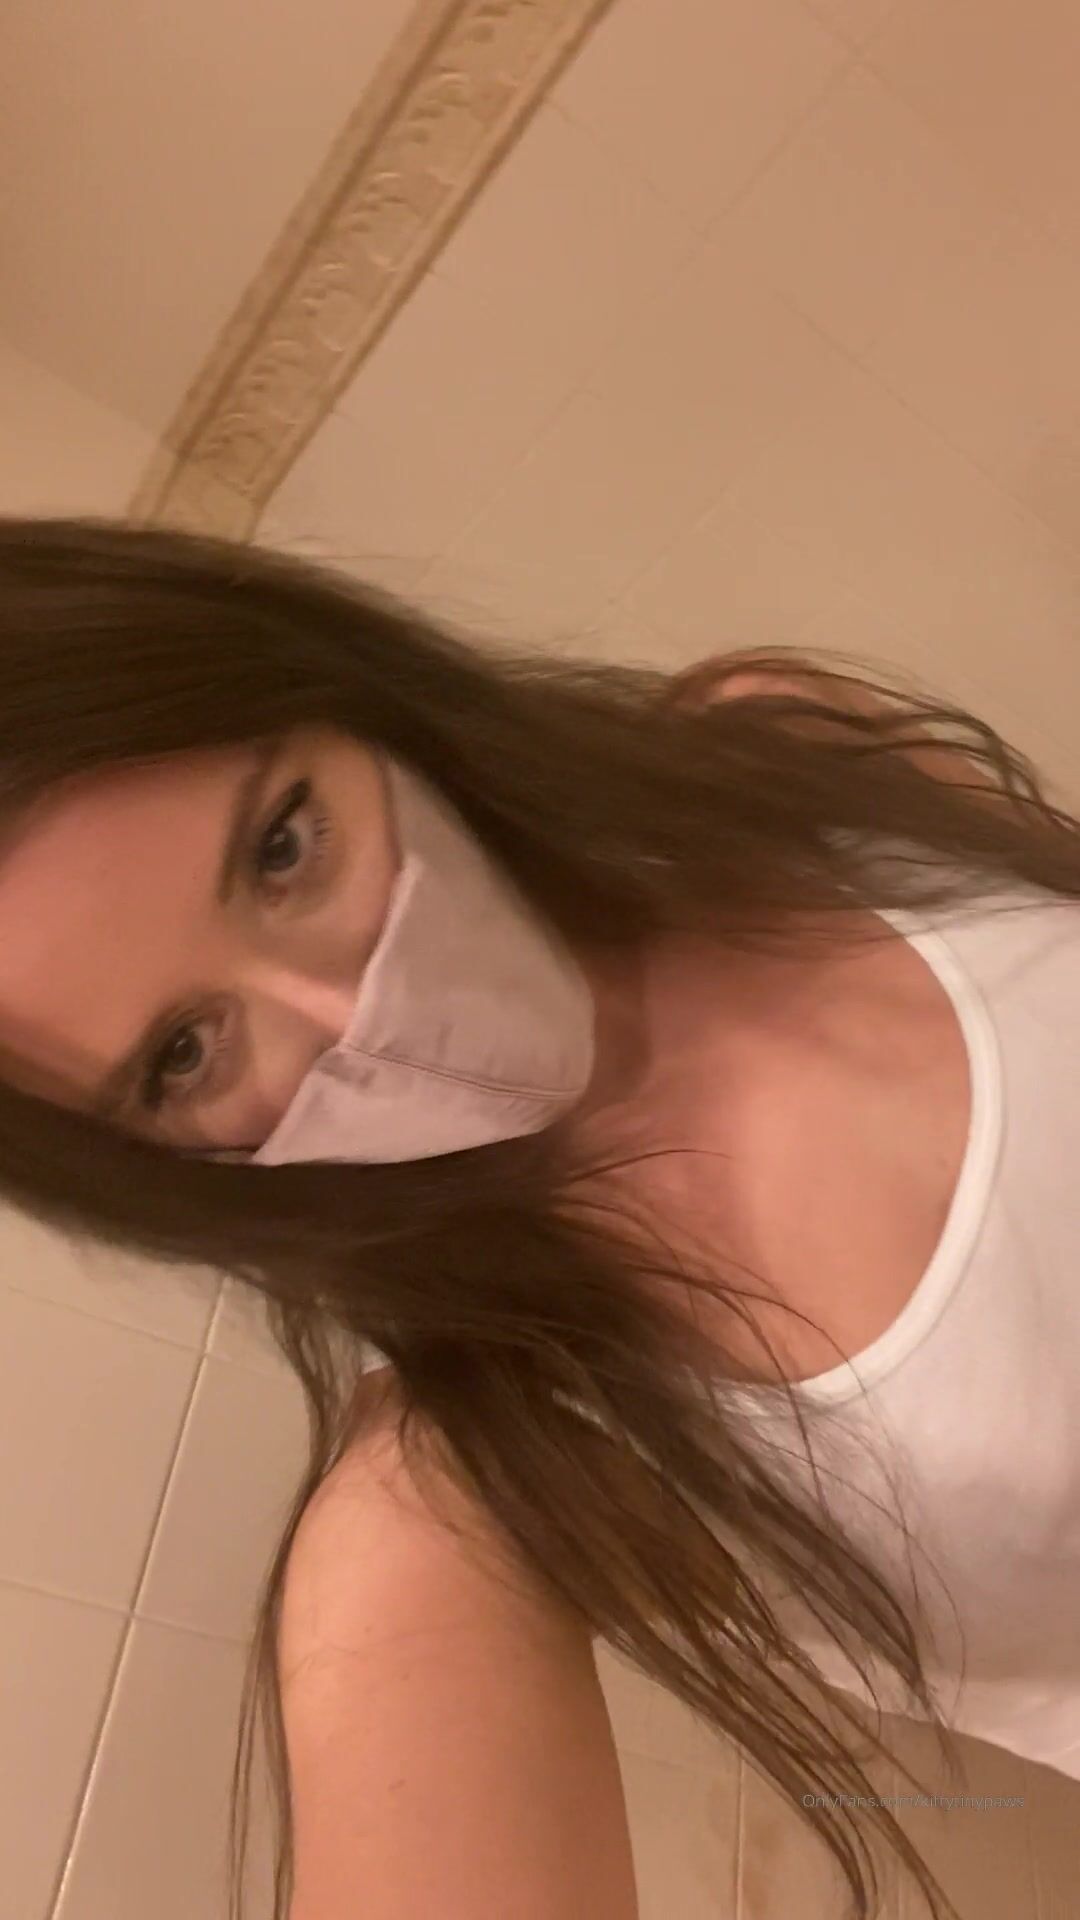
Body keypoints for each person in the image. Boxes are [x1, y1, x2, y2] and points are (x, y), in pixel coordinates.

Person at [1, 514, 1077, 1920]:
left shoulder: (775, 746)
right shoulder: (499, 1447)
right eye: (185, 1055)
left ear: (352, 693)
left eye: (283, 845)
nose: (345, 1010)